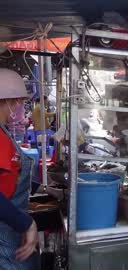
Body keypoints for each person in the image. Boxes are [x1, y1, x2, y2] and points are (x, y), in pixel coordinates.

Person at [0, 68, 39, 268]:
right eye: (15, 101)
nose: (17, 107)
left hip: (10, 225)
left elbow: (11, 174)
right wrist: (27, 224)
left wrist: (41, 188)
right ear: (5, 100)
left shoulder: (3, 130)